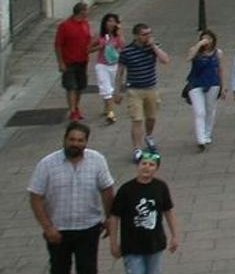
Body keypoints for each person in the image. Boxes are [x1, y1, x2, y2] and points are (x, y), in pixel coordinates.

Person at [29, 123, 117, 274]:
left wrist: (109, 218)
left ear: (86, 142)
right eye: (72, 139)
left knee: (87, 272)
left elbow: (107, 189)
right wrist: (47, 227)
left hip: (88, 228)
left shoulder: (97, 160)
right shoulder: (47, 164)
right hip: (58, 230)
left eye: (80, 140)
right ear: (65, 139)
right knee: (60, 272)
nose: (75, 144)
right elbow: (36, 197)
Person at [108, 150, 179, 274]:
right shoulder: (126, 190)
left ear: (156, 168)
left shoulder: (160, 187)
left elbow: (168, 210)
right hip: (132, 244)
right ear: (138, 166)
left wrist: (174, 235)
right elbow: (114, 216)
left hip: (155, 242)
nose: (147, 168)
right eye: (143, 164)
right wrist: (114, 243)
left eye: (151, 165)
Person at [114, 22, 170, 163]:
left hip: (151, 88)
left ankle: (149, 136)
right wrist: (118, 91)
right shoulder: (127, 51)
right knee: (137, 119)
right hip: (134, 90)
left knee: (151, 117)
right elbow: (120, 72)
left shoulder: (153, 47)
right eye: (144, 34)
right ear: (136, 36)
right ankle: (137, 148)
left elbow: (165, 60)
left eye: (149, 33)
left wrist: (154, 47)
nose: (148, 37)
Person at [183, 30, 223, 152]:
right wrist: (199, 45)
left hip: (212, 83)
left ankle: (207, 133)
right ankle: (200, 139)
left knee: (210, 109)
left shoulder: (218, 53)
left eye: (209, 39)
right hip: (196, 84)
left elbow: (220, 69)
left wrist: (222, 85)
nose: (206, 41)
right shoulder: (195, 51)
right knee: (200, 111)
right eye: (204, 38)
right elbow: (188, 58)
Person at [55, 2, 93, 122]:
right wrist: (61, 62)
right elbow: (58, 45)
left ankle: (75, 107)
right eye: (87, 10)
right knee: (71, 86)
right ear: (81, 12)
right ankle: (72, 110)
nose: (88, 12)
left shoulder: (85, 24)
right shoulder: (65, 26)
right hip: (69, 61)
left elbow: (88, 41)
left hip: (82, 60)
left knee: (80, 86)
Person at [92, 13, 123, 124]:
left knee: (112, 88)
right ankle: (111, 113)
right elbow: (88, 49)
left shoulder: (117, 36)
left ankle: (107, 108)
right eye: (109, 21)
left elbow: (122, 48)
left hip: (114, 65)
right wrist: (99, 47)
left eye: (113, 21)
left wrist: (119, 33)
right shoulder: (99, 36)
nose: (111, 23)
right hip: (102, 66)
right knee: (106, 88)